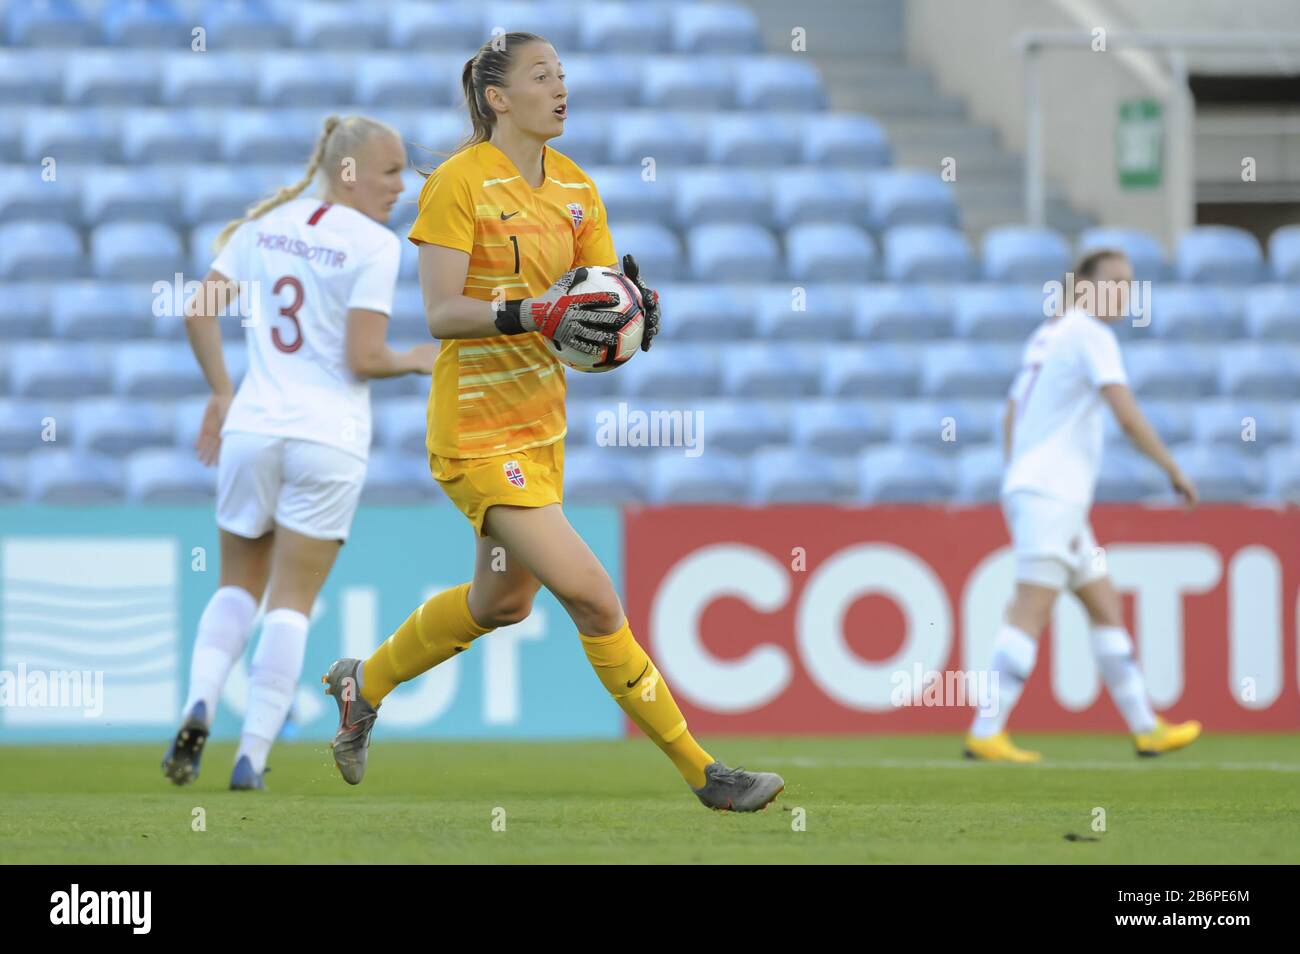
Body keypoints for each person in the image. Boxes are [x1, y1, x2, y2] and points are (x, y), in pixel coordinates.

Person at [322, 33, 785, 812]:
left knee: (501, 604)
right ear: (499, 99)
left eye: (563, 77)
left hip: (541, 427)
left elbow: (590, 321)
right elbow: (441, 313)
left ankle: (361, 684)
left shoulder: (579, 189)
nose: (561, 89)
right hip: (473, 431)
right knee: (596, 598)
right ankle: (706, 774)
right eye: (543, 77)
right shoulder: (458, 185)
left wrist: (629, 322)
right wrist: (533, 311)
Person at [163, 115, 437, 790]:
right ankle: (252, 756)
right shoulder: (374, 245)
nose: (402, 185)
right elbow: (364, 357)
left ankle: (199, 699)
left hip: (254, 427)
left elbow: (198, 310)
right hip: (329, 439)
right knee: (291, 600)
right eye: (391, 170)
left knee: (236, 585)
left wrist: (223, 394)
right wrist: (417, 360)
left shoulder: (266, 225)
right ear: (349, 172)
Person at [966, 248, 1203, 761]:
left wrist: (1020, 473)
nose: (1124, 294)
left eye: (1130, 284)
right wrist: (1174, 469)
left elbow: (1010, 413)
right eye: (1115, 282)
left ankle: (1145, 726)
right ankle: (987, 730)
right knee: (1031, 608)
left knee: (1104, 604)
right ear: (1084, 286)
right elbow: (1128, 416)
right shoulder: (1091, 334)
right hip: (1053, 495)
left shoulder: (1048, 334)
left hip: (1044, 492)